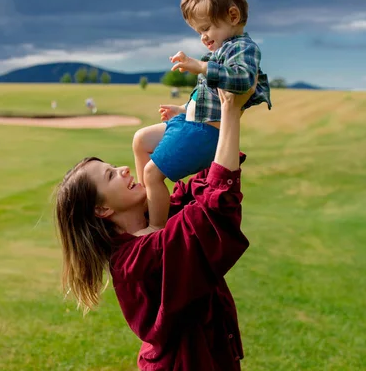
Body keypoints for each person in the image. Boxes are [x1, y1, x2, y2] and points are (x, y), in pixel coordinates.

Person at [55, 85, 255, 370]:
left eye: (115, 166)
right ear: (102, 209)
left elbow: (206, 181)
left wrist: (188, 122)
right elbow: (213, 212)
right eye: (111, 175)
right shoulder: (135, 263)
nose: (124, 169)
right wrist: (229, 113)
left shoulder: (160, 218)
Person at [132, 0, 271, 235]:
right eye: (199, 32)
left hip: (207, 134)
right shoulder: (220, 50)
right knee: (140, 140)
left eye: (206, 28)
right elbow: (208, 99)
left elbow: (242, 80)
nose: (203, 37)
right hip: (192, 123)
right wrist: (184, 109)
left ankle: (154, 227)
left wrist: (202, 66)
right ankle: (148, 205)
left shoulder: (244, 49)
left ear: (232, 16)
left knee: (152, 174)